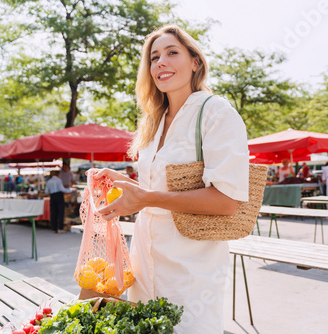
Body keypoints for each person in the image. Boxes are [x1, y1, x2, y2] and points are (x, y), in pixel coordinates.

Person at [95, 24, 249, 333]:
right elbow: (158, 193)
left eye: (172, 52)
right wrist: (130, 187)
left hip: (191, 269)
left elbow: (227, 201)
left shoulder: (215, 112)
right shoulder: (153, 121)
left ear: (195, 62)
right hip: (144, 262)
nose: (160, 62)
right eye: (154, 57)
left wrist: (147, 197)